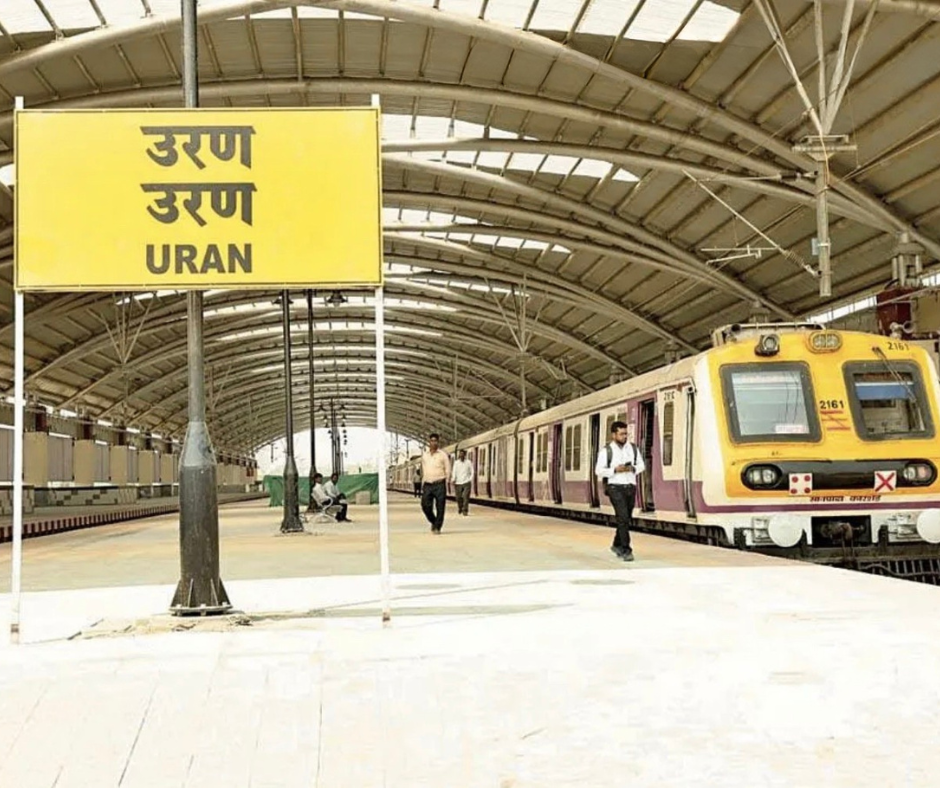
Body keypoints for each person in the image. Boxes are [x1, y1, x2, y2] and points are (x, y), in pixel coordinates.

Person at [595, 421, 645, 562]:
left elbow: (641, 465)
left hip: (630, 486)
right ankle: (626, 550)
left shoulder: (633, 448)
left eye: (626, 433)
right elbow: (598, 471)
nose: (624, 436)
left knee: (626, 518)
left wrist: (632, 468)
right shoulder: (606, 451)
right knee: (622, 517)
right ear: (614, 435)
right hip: (614, 487)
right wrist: (615, 470)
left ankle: (616, 544)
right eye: (621, 434)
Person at [421, 433, 451, 533]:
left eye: (435, 441)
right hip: (427, 484)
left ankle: (437, 527)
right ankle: (434, 521)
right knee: (425, 506)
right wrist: (423, 482)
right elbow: (424, 470)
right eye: (432, 441)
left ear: (438, 442)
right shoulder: (425, 455)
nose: (433, 443)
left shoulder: (443, 455)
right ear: (429, 442)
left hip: (439, 483)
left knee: (440, 507)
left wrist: (447, 481)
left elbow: (448, 469)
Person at [451, 448, 473, 516]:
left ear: (465, 455)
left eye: (463, 454)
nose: (461, 455)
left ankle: (465, 510)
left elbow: (472, 471)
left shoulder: (468, 462)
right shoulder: (456, 463)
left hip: (466, 482)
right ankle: (460, 507)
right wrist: (453, 479)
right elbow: (454, 471)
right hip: (458, 482)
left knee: (466, 497)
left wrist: (470, 479)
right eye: (460, 454)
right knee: (458, 497)